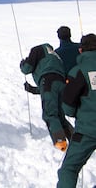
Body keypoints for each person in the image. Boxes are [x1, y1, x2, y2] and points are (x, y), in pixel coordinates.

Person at [57, 33, 96, 188]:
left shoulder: (78, 71)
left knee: (69, 170)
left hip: (87, 131)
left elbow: (68, 106)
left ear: (81, 50)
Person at [20, 43, 74, 151]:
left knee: (50, 114)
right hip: (60, 83)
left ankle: (60, 141)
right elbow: (51, 87)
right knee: (60, 116)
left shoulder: (37, 49)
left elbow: (27, 68)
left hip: (48, 82)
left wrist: (23, 63)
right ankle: (75, 140)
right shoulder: (54, 56)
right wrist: (33, 89)